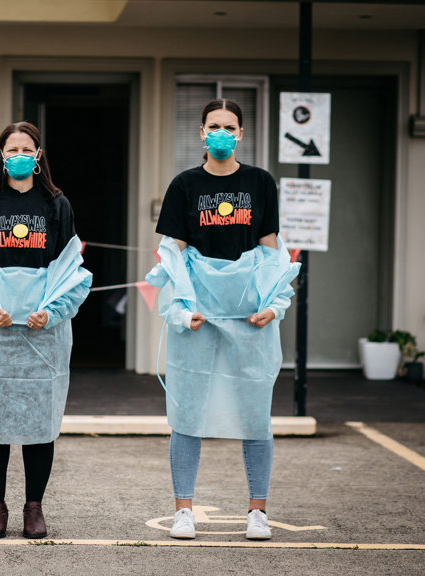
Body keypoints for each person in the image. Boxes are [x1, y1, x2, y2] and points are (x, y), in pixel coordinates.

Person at [146, 99, 300, 541]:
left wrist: (274, 304)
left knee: (255, 414)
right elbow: (173, 254)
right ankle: (183, 510)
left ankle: (258, 511)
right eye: (213, 126)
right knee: (187, 412)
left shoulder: (259, 183)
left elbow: (272, 250)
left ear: (241, 133)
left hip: (249, 314)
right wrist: (179, 307)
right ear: (200, 132)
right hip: (200, 314)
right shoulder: (185, 185)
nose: (220, 133)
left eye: (228, 126)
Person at [0, 122, 92, 539]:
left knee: (39, 424)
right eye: (13, 148)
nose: (20, 154)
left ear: (39, 155)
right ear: (2, 155)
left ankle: (33, 507)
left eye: (28, 147)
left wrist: (53, 311)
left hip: (44, 334)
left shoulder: (57, 204)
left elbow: (69, 273)